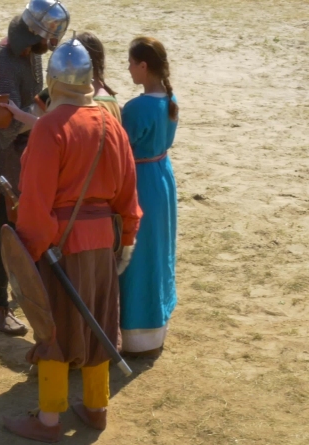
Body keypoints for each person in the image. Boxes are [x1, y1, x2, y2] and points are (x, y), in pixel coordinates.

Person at [2, 38, 141, 443]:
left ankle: (48, 420)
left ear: (54, 81)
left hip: (60, 244)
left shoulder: (49, 127)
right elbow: (127, 194)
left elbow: (36, 202)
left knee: (55, 328)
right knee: (99, 320)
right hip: (102, 244)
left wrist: (29, 253)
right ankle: (96, 407)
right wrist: (125, 238)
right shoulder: (111, 124)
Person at [0, 0, 69, 336]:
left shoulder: (32, 54)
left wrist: (46, 103)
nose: (51, 46)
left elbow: (34, 101)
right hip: (8, 157)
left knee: (30, 225)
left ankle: (25, 287)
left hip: (32, 151)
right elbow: (4, 124)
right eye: (49, 39)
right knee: (8, 230)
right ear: (34, 33)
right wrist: (41, 113)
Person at [118, 37, 179, 358]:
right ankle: (157, 328)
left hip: (141, 184)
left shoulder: (137, 108)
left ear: (143, 66)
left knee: (138, 258)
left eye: (131, 63)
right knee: (159, 252)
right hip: (163, 179)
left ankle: (136, 334)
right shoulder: (170, 98)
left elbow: (119, 150)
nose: (128, 68)